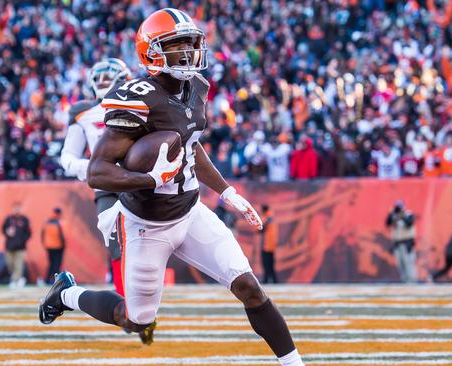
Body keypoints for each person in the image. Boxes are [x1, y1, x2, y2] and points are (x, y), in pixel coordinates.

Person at [39, 9, 304, 365]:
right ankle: (68, 293)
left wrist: (226, 192)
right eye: (178, 45)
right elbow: (97, 172)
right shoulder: (135, 97)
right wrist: (149, 180)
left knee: (249, 288)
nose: (189, 53)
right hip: (145, 225)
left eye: (192, 43)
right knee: (135, 321)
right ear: (152, 52)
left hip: (191, 211)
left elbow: (190, 144)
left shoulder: (196, 86)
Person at [59, 58, 131, 296]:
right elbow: (67, 157)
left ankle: (142, 299)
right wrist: (92, 167)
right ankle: (126, 303)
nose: (103, 82)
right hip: (107, 185)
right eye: (99, 78)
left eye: (107, 77)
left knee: (147, 243)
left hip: (139, 182)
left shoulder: (140, 103)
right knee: (116, 246)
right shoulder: (84, 112)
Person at [385, 200, 417, 283]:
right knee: (400, 264)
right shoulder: (394, 216)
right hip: (397, 244)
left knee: (409, 263)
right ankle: (404, 280)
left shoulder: (408, 214)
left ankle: (412, 281)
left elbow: (409, 223)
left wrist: (402, 215)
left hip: (407, 244)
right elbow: (387, 223)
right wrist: (391, 214)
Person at [1, 202, 32, 288]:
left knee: (19, 265)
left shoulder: (24, 219)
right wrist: (7, 232)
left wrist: (22, 240)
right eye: (15, 208)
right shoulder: (8, 219)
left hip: (20, 247)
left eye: (18, 208)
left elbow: (29, 233)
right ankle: (20, 278)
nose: (16, 210)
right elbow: (3, 229)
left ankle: (14, 281)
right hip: (9, 246)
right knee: (10, 265)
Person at [41, 207, 65, 284]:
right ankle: (56, 280)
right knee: (57, 264)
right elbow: (62, 236)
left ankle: (47, 280)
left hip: (48, 246)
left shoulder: (47, 222)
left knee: (51, 264)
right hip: (58, 246)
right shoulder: (60, 222)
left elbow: (42, 234)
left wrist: (45, 244)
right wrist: (63, 245)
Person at [260, 205, 278, 284]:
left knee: (266, 264)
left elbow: (259, 229)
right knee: (271, 265)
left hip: (266, 246)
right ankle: (273, 280)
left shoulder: (266, 218)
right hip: (271, 246)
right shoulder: (272, 218)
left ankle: (267, 280)